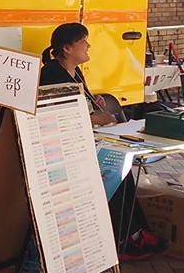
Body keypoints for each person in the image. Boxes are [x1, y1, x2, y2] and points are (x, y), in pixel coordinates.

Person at [39, 23, 159, 260]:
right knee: (111, 170)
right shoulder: (52, 74)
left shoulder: (75, 71)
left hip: (85, 140)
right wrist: (97, 118)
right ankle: (127, 237)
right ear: (67, 48)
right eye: (83, 42)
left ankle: (134, 232)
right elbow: (59, 115)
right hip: (64, 149)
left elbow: (81, 104)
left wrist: (95, 105)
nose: (88, 46)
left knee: (122, 168)